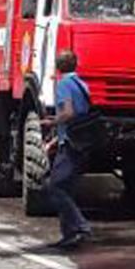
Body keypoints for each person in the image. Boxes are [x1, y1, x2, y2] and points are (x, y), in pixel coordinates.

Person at [46, 48, 94, 249]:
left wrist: (52, 122)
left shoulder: (64, 84)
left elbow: (68, 112)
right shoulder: (82, 84)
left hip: (70, 144)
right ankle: (69, 235)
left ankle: (80, 226)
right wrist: (55, 140)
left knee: (55, 186)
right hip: (81, 141)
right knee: (67, 188)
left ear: (58, 66)